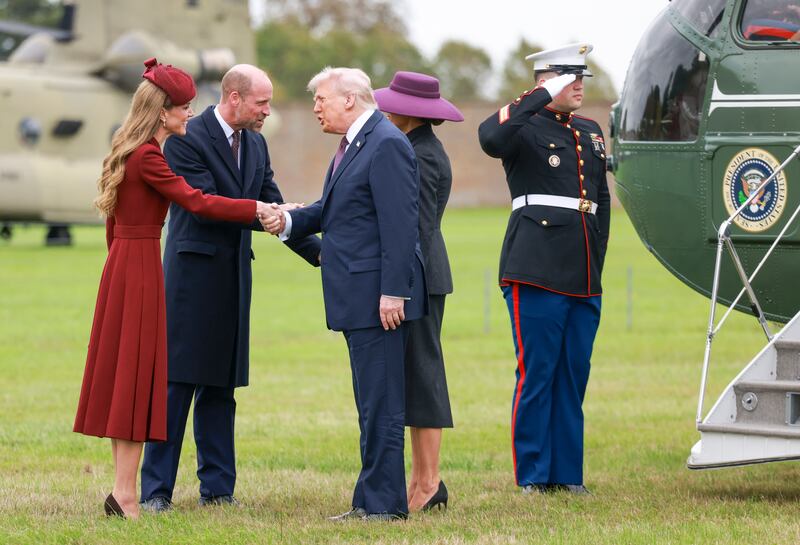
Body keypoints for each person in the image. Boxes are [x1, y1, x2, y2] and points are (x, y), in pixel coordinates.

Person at [73, 58, 280, 518]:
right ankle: (136, 492)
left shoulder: (127, 148)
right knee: (148, 380)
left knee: (131, 378)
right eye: (183, 107)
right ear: (163, 110)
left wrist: (120, 264)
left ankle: (125, 493)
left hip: (126, 262)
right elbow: (195, 200)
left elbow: (112, 225)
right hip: (145, 266)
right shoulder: (151, 154)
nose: (190, 113)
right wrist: (258, 211)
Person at [139, 65, 321, 512]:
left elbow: (274, 210)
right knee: (177, 386)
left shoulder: (256, 143)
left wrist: (322, 256)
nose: (267, 111)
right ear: (234, 98)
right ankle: (155, 491)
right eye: (261, 102)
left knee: (222, 387)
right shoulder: (186, 138)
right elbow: (201, 205)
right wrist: (262, 209)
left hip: (235, 279)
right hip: (190, 280)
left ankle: (218, 490)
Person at [268, 66, 426, 521]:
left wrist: (393, 292)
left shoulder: (387, 144)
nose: (315, 107)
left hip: (378, 299)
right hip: (356, 296)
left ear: (350, 99)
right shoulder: (356, 143)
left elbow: (400, 225)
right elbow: (336, 211)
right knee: (370, 403)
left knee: (382, 404)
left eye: (321, 99)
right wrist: (289, 222)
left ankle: (384, 506)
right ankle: (369, 500)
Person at [478, 43, 611, 495]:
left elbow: (600, 203)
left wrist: (597, 258)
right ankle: (534, 475)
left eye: (581, 78)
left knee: (573, 374)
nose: (578, 85)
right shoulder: (522, 126)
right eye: (567, 77)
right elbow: (489, 139)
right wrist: (537, 95)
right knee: (537, 373)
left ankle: (567, 476)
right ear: (543, 82)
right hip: (534, 265)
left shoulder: (591, 131)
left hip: (582, 270)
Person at [374, 71, 462, 512]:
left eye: (392, 104)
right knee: (414, 376)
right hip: (416, 275)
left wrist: (399, 285)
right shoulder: (413, 146)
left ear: (408, 112)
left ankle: (429, 483)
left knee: (424, 377)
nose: (385, 109)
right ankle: (419, 480)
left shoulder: (422, 155)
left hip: (420, 278)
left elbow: (412, 226)